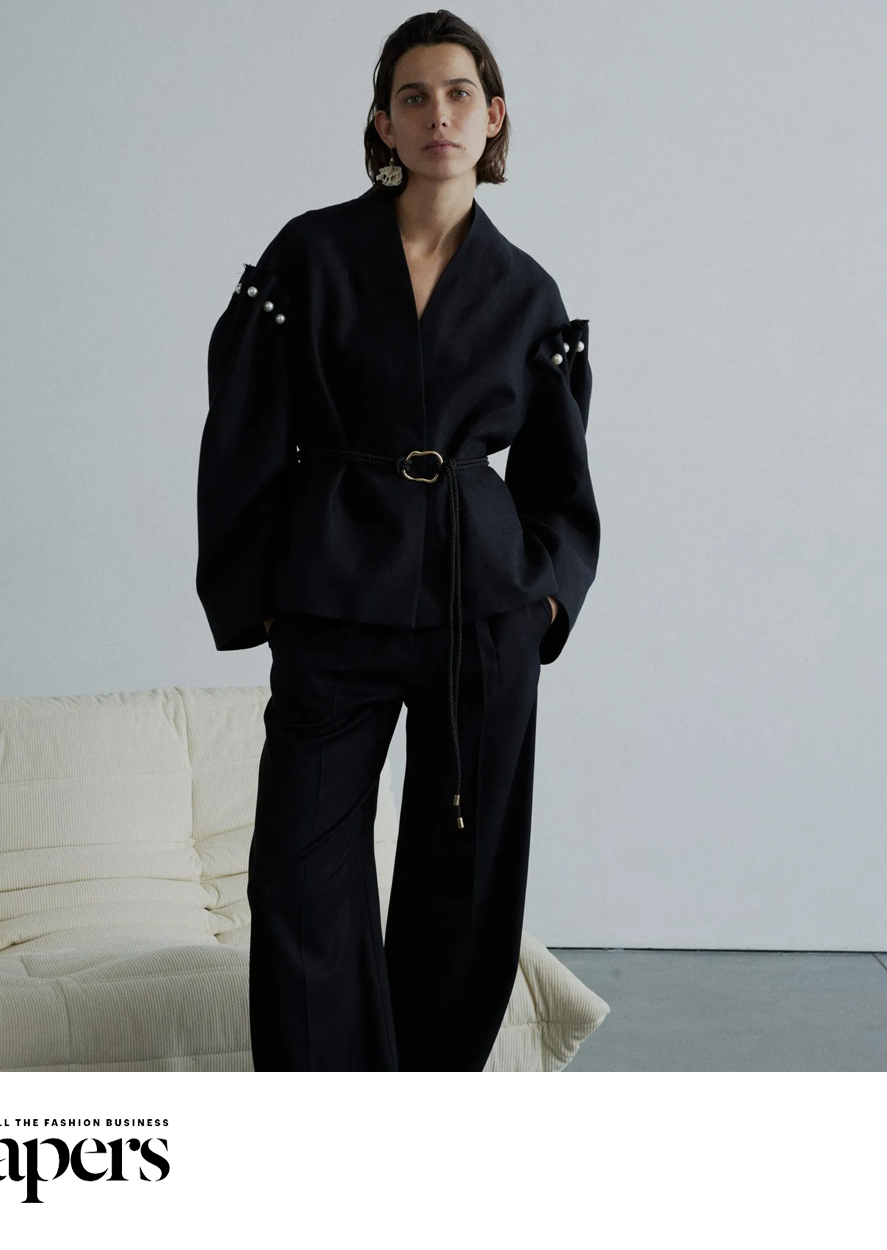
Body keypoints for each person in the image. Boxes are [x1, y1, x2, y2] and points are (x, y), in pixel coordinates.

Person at [196, 11, 600, 1070]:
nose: (437, 115)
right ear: (382, 122)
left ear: (493, 115)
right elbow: (243, 423)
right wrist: (257, 589)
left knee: (462, 879)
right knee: (299, 872)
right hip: (333, 596)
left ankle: (420, 1118)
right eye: (413, 97)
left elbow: (560, 478)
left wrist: (544, 598)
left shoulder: (528, 291)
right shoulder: (310, 253)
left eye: (459, 94)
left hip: (482, 609)